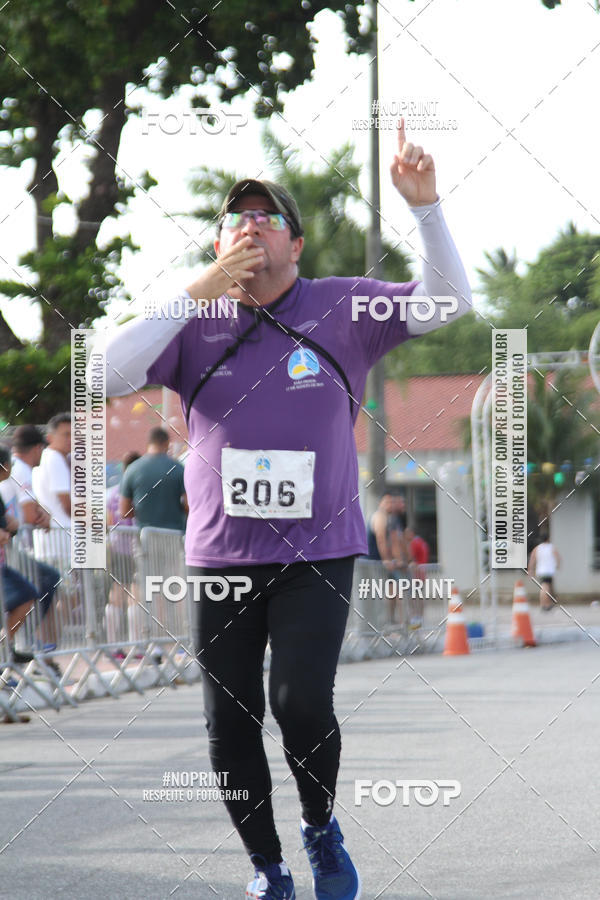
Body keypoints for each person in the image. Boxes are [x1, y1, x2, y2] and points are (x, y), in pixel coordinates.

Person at [102, 119, 472, 899]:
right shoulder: (191, 323)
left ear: (295, 246)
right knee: (228, 727)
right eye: (236, 218)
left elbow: (446, 305)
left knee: (299, 701)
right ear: (217, 246)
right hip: (219, 559)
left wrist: (427, 208)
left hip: (318, 551)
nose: (250, 227)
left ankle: (318, 829)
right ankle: (268, 869)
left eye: (266, 217)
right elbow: (103, 373)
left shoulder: (341, 306)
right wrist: (197, 293)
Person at [0, 426, 61, 650]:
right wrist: (40, 517)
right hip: (12, 547)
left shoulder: (16, 470)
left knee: (36, 585)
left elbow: (23, 514)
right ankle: (20, 640)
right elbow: (27, 514)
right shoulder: (22, 470)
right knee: (45, 580)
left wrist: (40, 512)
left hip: (12, 545)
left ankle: (17, 641)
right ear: (38, 448)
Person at [404, 526, 430, 629]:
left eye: (406, 533)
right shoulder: (422, 542)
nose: (405, 536)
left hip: (416, 575)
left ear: (411, 533)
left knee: (414, 597)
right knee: (419, 596)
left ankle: (416, 618)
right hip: (422, 574)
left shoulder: (414, 543)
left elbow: (409, 557)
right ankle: (420, 618)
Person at [527, 530, 560, 611]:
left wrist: (530, 570)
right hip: (549, 570)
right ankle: (544, 604)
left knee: (546, 587)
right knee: (546, 587)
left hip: (541, 571)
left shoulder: (537, 548)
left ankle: (547, 603)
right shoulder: (551, 547)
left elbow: (532, 560)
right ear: (548, 539)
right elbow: (557, 557)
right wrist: (557, 565)